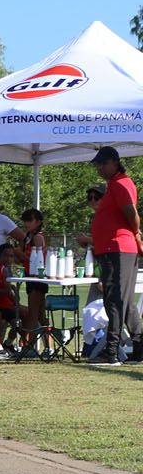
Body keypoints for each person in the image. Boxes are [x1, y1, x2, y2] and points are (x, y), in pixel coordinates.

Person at [75, 147, 142, 364]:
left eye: (103, 164)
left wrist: (136, 232)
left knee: (115, 300)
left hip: (119, 248)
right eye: (97, 164)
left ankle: (111, 351)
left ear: (115, 162)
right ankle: (140, 349)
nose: (99, 168)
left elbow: (131, 213)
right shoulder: (115, 183)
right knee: (125, 301)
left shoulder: (121, 182)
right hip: (114, 249)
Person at [16, 207, 49, 349]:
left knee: (33, 315)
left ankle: (28, 346)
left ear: (38, 222)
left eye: (30, 220)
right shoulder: (28, 238)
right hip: (31, 277)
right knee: (41, 316)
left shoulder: (37, 238)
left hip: (37, 278)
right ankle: (49, 346)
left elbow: (36, 260)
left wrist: (20, 253)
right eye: (25, 220)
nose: (26, 223)